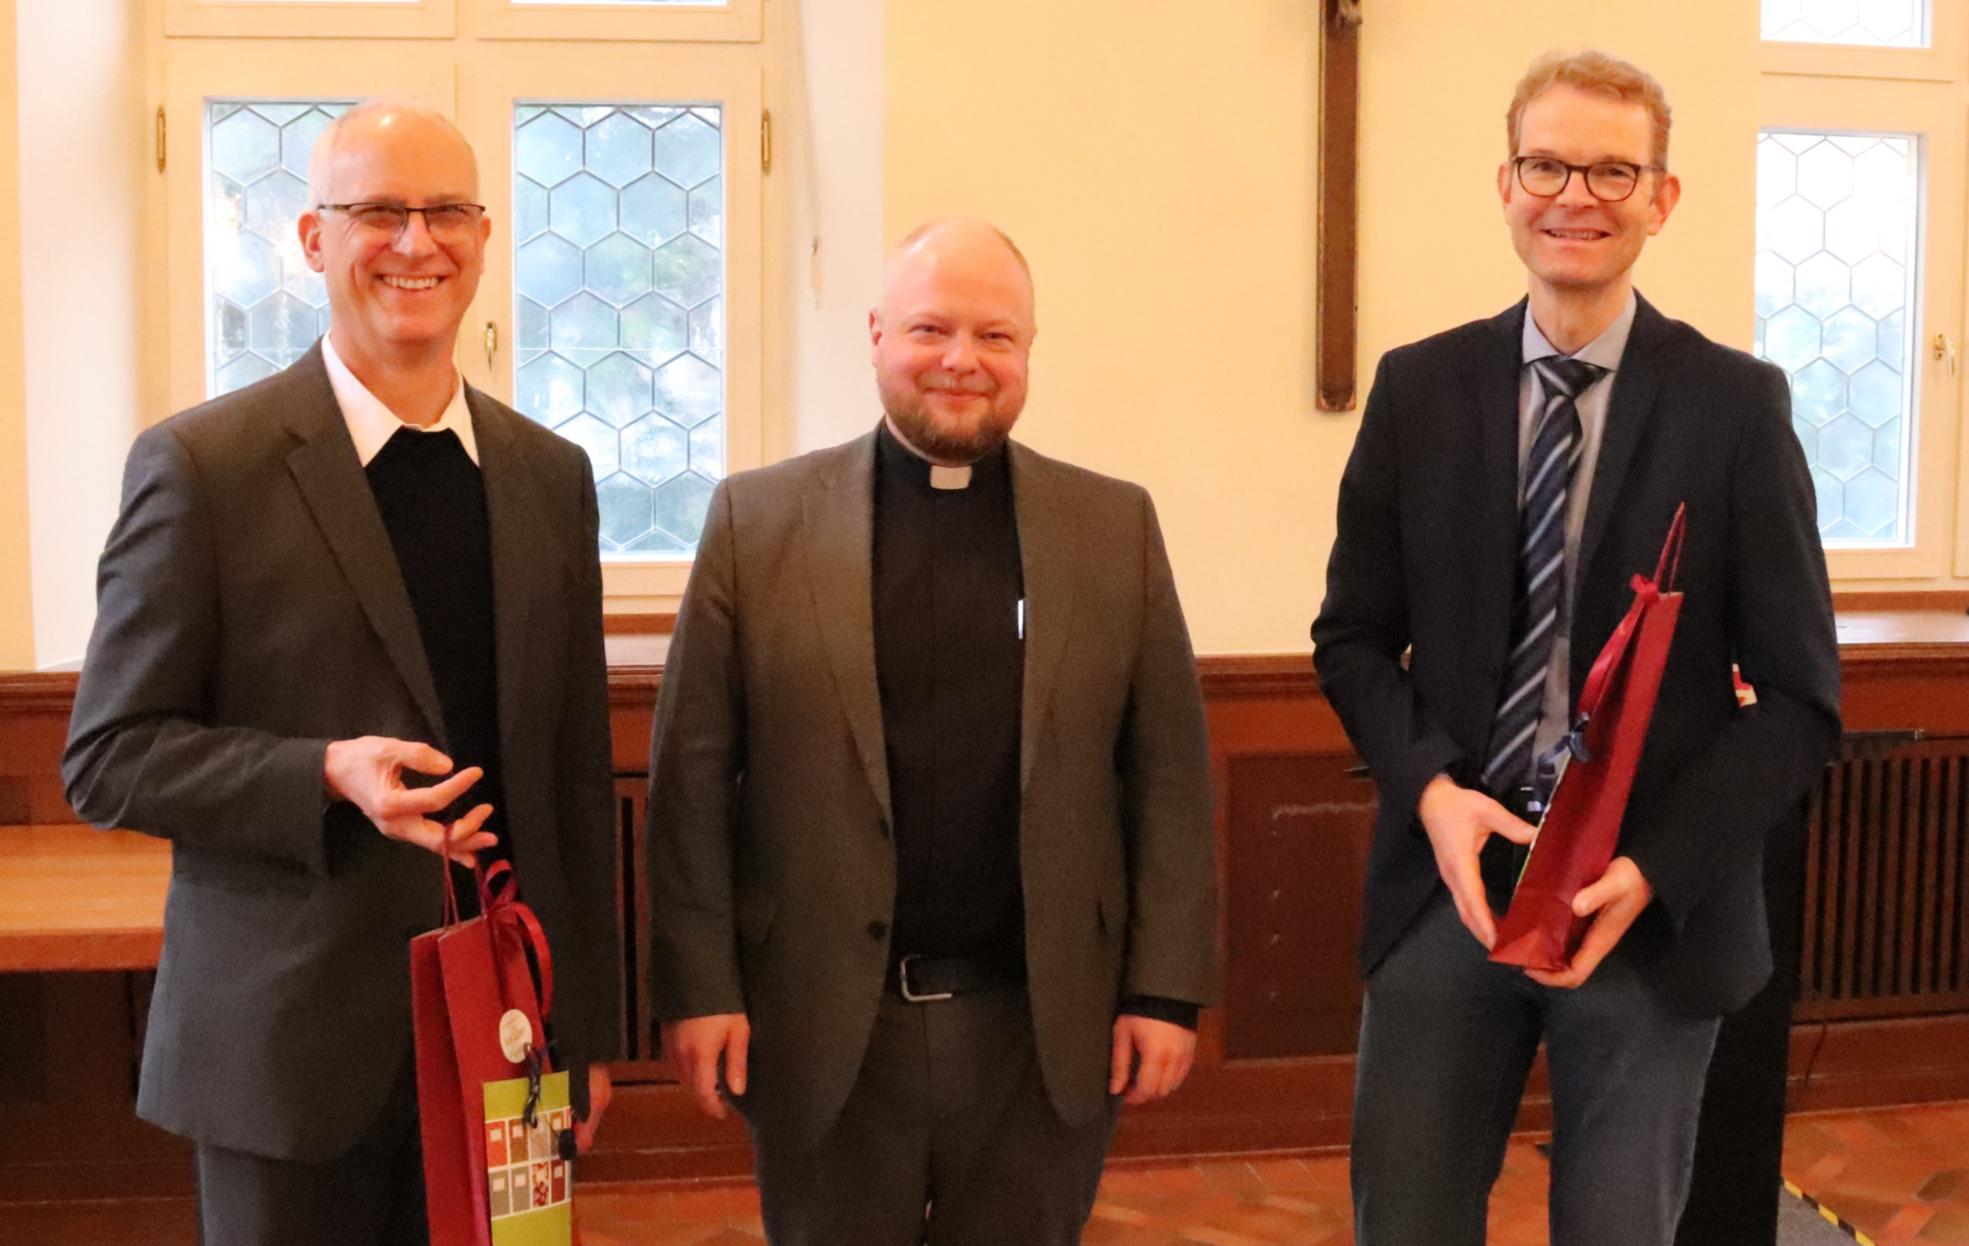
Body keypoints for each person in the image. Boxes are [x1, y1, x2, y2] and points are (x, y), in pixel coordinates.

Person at [62, 100, 619, 1246]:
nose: (416, 244)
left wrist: (586, 1031)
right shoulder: (203, 467)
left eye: (446, 212)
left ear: (483, 235)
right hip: (289, 1051)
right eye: (378, 212)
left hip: (503, 1042)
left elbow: (569, 774)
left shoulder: (547, 476)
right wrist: (323, 771)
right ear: (314, 240)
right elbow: (109, 756)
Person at [1311, 50, 1841, 1245]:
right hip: (1450, 887)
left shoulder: (1735, 407)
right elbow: (1348, 639)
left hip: (1646, 913)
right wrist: (1432, 795)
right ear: (1504, 184)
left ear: (1661, 198)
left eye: (1613, 169)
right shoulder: (1419, 390)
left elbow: (1802, 701)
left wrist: (1655, 866)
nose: (1576, 195)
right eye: (1548, 164)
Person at [646, 218, 1217, 1245]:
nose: (961, 361)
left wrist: (1165, 989)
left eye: (995, 336)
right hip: (825, 1023)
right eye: (930, 329)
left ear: (1029, 351)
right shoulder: (755, 522)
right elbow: (689, 780)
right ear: (873, 335)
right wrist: (699, 987)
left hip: (1040, 1027)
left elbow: (1167, 774)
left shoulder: (1110, 528)